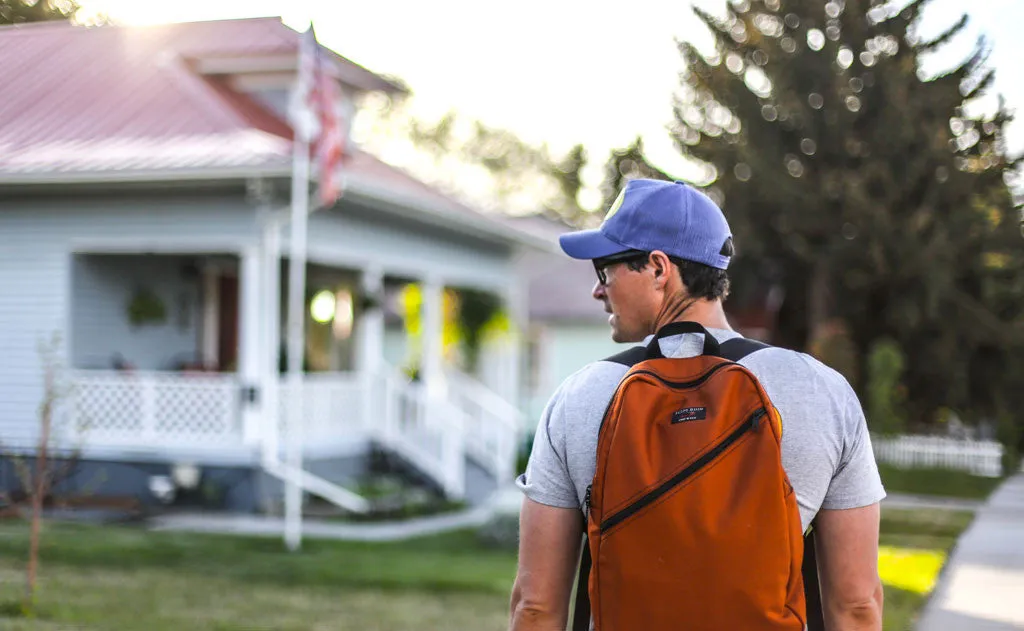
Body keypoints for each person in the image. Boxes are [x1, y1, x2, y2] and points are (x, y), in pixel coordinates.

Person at [509, 178, 886, 630]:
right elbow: (858, 605)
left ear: (658, 268)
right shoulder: (822, 391)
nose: (598, 290)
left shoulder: (580, 396)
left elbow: (535, 607)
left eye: (604, 269)